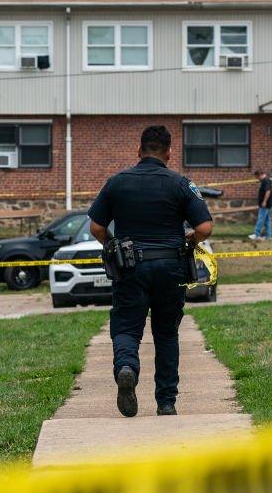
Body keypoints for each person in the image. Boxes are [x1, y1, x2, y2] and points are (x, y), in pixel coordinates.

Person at [88, 125, 214, 418]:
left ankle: (127, 367)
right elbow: (205, 227)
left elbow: (96, 226)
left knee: (126, 328)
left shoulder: (117, 182)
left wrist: (114, 244)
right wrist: (189, 239)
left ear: (139, 150)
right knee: (167, 334)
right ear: (169, 153)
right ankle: (166, 402)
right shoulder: (181, 184)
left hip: (129, 267)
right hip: (171, 267)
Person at [248, 170, 272, 240]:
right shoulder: (265, 181)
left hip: (265, 204)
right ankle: (269, 236)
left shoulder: (266, 181)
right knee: (267, 220)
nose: (257, 179)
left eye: (256, 177)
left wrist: (264, 201)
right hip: (268, 203)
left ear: (260, 175)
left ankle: (256, 234)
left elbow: (268, 192)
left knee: (261, 219)